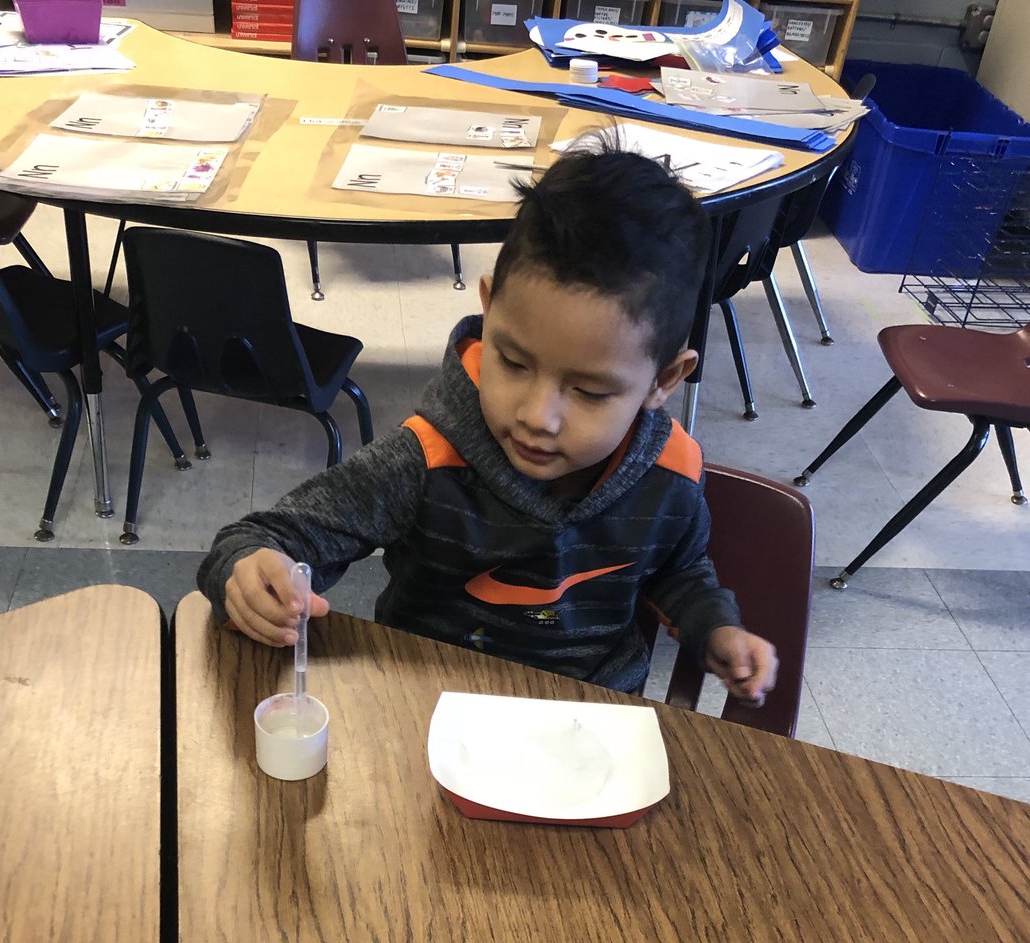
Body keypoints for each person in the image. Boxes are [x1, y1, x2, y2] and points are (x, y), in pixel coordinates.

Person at [198, 140, 777, 701]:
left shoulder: (673, 473)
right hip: (429, 708)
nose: (536, 417)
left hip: (588, 724)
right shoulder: (426, 458)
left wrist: (714, 627)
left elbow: (679, 567)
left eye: (589, 391)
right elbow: (265, 537)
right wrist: (251, 572)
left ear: (664, 381)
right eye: (513, 361)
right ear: (488, 307)